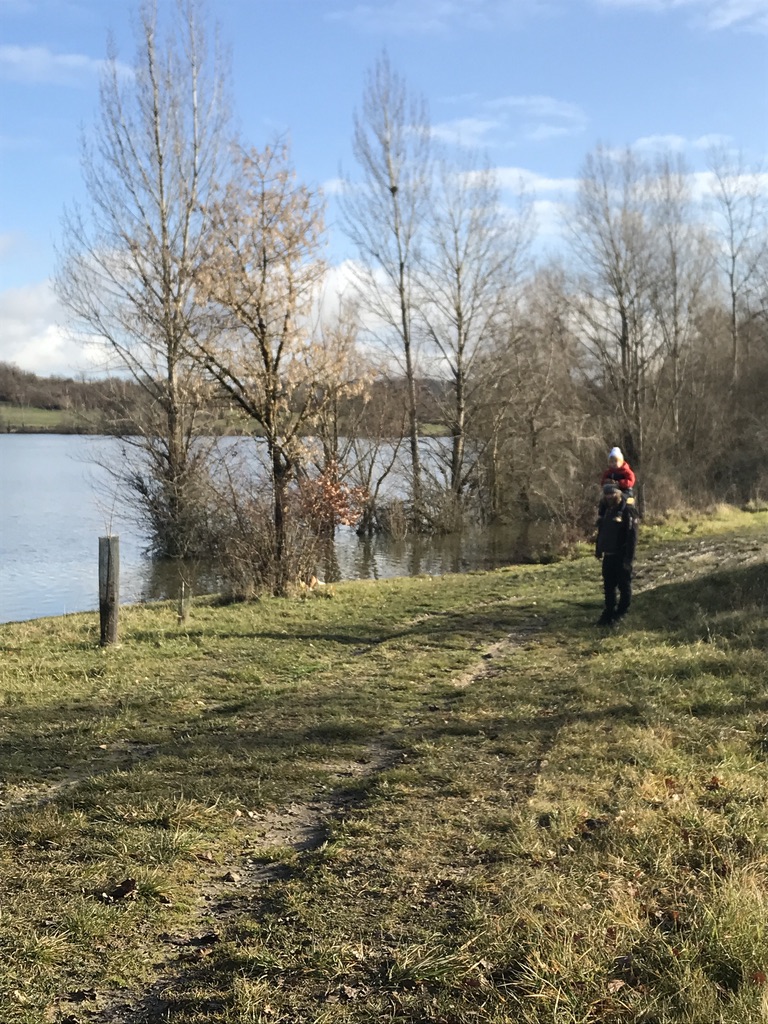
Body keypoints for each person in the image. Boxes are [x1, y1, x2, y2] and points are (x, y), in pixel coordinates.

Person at [595, 481, 638, 626]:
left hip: (621, 555)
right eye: (606, 494)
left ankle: (622, 612)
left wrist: (628, 559)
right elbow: (602, 531)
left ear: (618, 493)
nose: (609, 496)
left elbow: (632, 536)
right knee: (608, 586)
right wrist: (598, 549)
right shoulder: (606, 510)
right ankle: (608, 613)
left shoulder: (627, 510)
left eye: (612, 493)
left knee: (624, 585)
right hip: (608, 554)